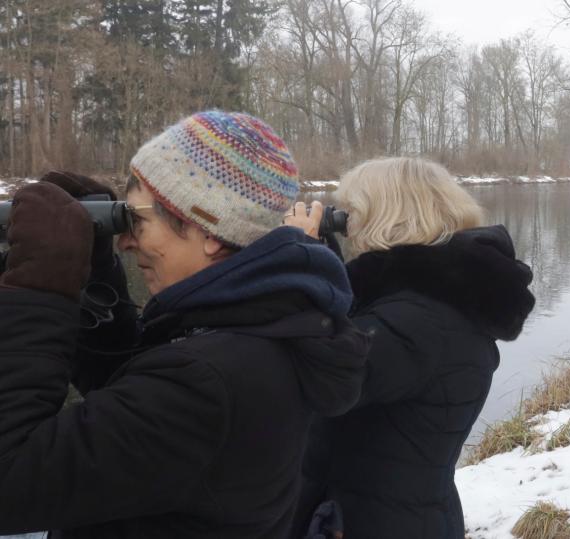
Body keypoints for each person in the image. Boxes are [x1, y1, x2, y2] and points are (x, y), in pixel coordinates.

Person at [0, 110, 368, 538]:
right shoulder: (259, 327)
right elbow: (126, 392)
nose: (125, 240)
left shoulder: (208, 380)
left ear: (209, 231)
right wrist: (95, 268)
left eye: (135, 218)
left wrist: (40, 288)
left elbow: (11, 481)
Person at [283, 157, 536, 538]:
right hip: (398, 512)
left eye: (353, 212)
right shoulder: (441, 296)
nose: (347, 223)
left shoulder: (420, 322)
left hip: (372, 522)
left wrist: (297, 259)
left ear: (384, 216)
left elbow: (325, 371)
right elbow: (354, 330)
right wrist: (325, 262)